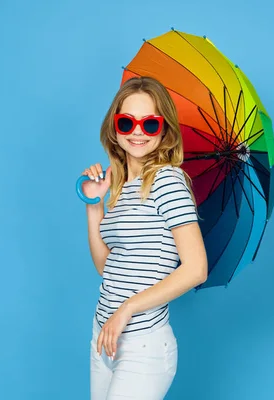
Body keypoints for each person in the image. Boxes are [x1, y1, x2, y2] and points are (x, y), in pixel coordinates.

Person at [81, 76, 208, 399]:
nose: (137, 132)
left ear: (164, 129)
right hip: (105, 335)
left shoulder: (167, 181)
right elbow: (106, 266)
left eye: (149, 124)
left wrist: (126, 309)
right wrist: (95, 207)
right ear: (114, 127)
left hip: (143, 343)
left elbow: (196, 269)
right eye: (127, 122)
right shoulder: (121, 187)